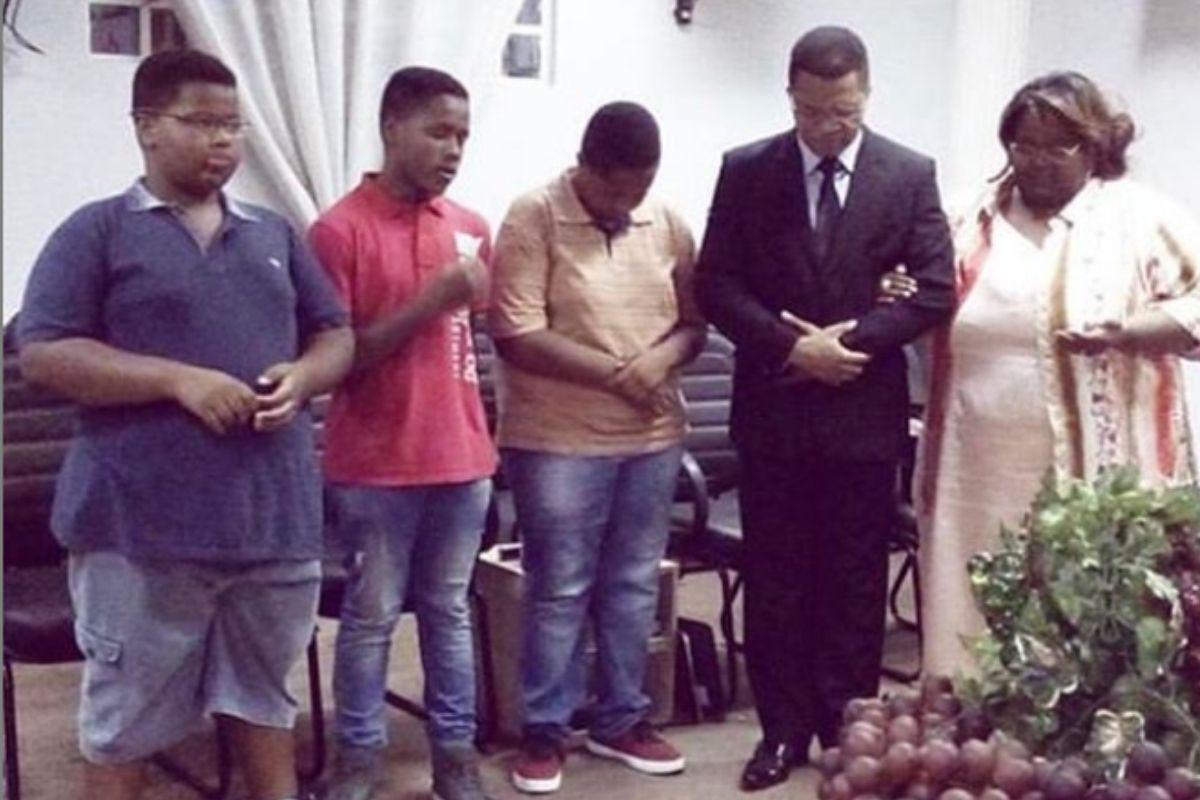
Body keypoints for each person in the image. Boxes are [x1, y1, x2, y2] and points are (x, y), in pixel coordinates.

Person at [15, 50, 354, 800]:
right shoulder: (97, 231)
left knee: (266, 707)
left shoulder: (273, 234)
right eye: (201, 122)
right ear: (146, 127)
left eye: (233, 125)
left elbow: (336, 333)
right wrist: (177, 380)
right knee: (124, 727)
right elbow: (44, 354)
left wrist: (304, 377)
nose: (223, 140)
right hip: (140, 533)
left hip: (271, 526)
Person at [694, 26, 955, 792]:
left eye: (843, 112)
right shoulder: (748, 170)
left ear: (865, 95)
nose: (827, 128)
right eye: (811, 112)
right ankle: (779, 730)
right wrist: (790, 346)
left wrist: (854, 342)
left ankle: (847, 725)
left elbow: (935, 287)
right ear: (791, 97)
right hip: (774, 410)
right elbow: (717, 283)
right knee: (777, 577)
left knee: (854, 579)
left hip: (862, 413)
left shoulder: (908, 174)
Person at [915, 71, 1200, 678]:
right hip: (975, 462)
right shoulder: (965, 218)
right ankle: (971, 711)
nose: (1037, 162)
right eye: (1024, 147)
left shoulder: (1142, 219)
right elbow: (919, 297)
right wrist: (898, 292)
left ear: (1094, 146)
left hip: (1100, 467)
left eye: (1057, 148)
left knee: (1087, 607)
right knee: (973, 597)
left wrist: (1131, 333)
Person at [489, 102, 705, 795]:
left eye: (642, 186)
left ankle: (622, 719)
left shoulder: (666, 221)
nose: (628, 203)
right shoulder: (533, 216)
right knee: (560, 586)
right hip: (557, 441)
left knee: (634, 582)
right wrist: (622, 376)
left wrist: (659, 360)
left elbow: (694, 324)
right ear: (584, 167)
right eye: (616, 189)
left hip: (651, 439)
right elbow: (517, 335)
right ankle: (545, 731)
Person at [307, 67, 496, 800]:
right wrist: (432, 298)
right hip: (375, 464)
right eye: (438, 132)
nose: (454, 150)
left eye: (463, 137)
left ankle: (456, 762)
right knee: (371, 617)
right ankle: (357, 766)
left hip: (463, 460)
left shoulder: (470, 227)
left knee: (449, 613)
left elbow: (475, 341)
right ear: (392, 128)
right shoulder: (337, 230)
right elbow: (337, 359)